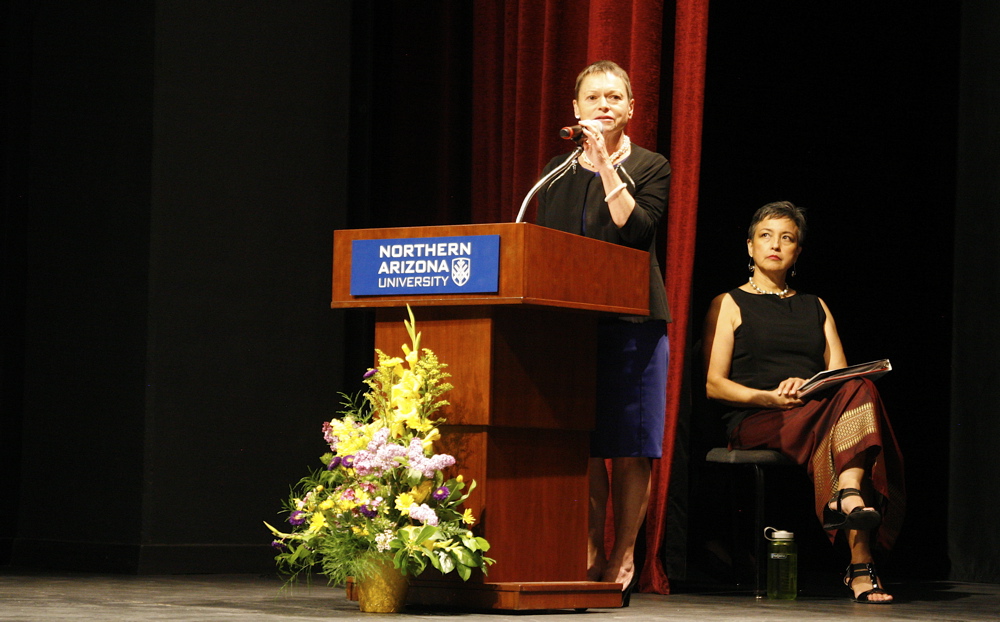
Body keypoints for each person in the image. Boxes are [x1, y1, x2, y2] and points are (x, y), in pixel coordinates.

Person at [702, 201, 906, 604]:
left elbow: (843, 377)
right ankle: (860, 566)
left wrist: (809, 387)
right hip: (757, 417)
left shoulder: (816, 305)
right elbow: (714, 385)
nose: (775, 244)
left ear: (797, 252)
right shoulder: (728, 303)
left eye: (787, 238)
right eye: (766, 235)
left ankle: (845, 493)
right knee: (847, 431)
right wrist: (770, 396)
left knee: (861, 388)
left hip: (813, 411)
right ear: (749, 246)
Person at [535, 60, 672, 606]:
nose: (604, 106)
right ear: (576, 108)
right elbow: (544, 246)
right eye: (593, 98)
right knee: (587, 444)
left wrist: (607, 170)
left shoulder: (650, 165)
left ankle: (624, 554)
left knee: (631, 445)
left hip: (635, 321)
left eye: (615, 97)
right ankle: (591, 548)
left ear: (631, 108)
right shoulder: (557, 172)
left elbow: (635, 231)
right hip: (574, 325)